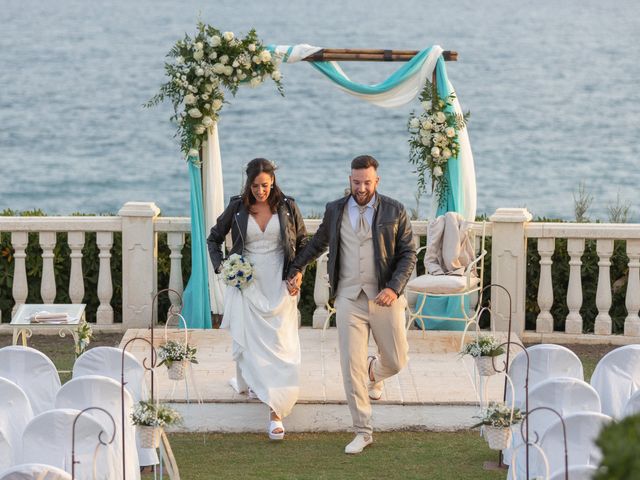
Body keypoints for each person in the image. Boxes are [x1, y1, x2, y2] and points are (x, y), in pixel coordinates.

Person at [288, 155, 416, 454]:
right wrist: (296, 268)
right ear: (350, 180)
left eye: (367, 182)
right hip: (348, 297)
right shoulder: (335, 210)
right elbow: (317, 243)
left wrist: (394, 288)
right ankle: (363, 430)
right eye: (356, 182)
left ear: (377, 181)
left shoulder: (395, 210)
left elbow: (408, 254)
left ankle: (375, 371)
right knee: (350, 366)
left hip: (385, 297)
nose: (361, 188)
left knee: (397, 361)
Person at [207, 158, 307, 440]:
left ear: (272, 182)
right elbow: (213, 239)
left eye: (265, 185)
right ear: (248, 184)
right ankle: (262, 393)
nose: (260, 191)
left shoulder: (288, 206)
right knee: (250, 340)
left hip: (280, 280)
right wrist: (223, 268)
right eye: (255, 186)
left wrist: (297, 271)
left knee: (280, 342)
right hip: (247, 283)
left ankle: (277, 406)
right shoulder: (237, 207)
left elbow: (302, 243)